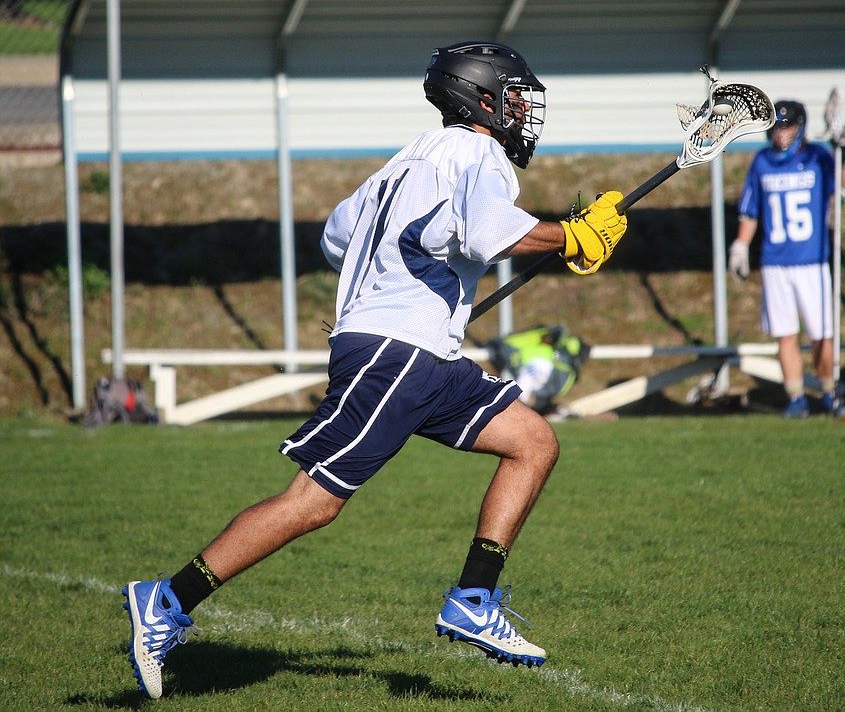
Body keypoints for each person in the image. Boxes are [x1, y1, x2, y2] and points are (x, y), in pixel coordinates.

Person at [121, 41, 629, 699]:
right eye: (514, 96)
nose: (522, 111)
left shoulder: (408, 158)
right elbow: (484, 235)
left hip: (423, 355)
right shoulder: (479, 155)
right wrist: (572, 236)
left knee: (532, 442)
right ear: (480, 98)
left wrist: (420, 283)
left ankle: (474, 597)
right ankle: (166, 599)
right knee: (314, 502)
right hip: (397, 355)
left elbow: (339, 237)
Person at [728, 99, 845, 417]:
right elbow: (750, 211)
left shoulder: (816, 157)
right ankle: (796, 397)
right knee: (785, 334)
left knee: (821, 335)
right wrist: (741, 246)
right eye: (776, 127)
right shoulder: (761, 162)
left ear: (800, 128)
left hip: (811, 260)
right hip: (775, 262)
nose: (781, 133)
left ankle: (829, 392)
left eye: (787, 126)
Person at [486, 325, 589, 415]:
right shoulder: (549, 353)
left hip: (532, 368)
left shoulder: (544, 358)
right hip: (532, 370)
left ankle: (520, 405)